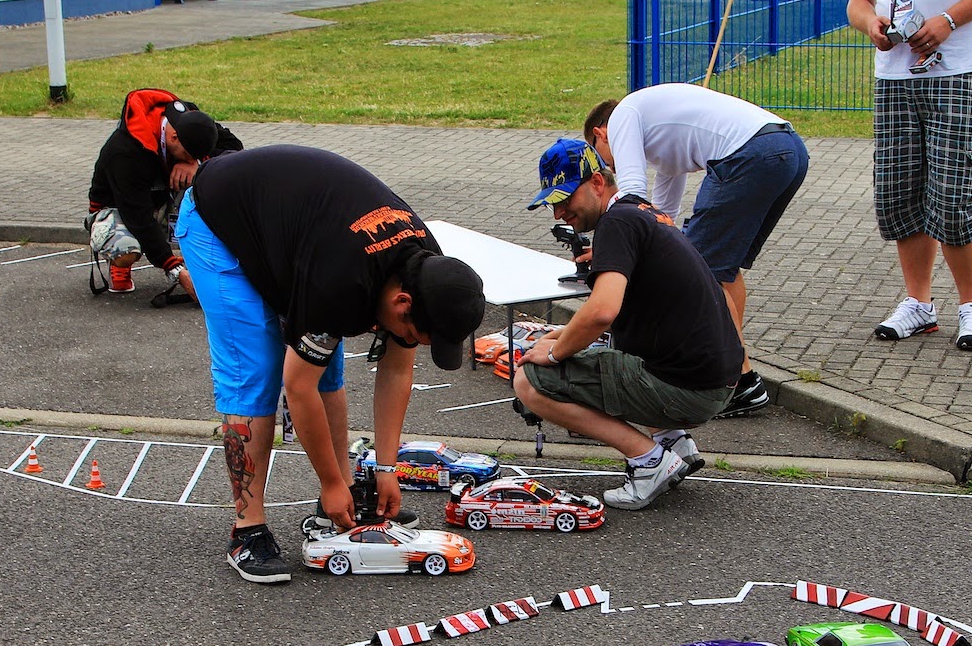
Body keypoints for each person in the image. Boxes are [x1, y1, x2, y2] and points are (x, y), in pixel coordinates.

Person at [174, 145, 486, 584]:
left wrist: (386, 469)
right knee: (255, 374)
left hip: (294, 230)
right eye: (415, 335)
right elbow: (298, 386)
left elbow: (397, 369)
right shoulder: (340, 283)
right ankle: (247, 529)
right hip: (218, 224)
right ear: (402, 304)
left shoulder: (425, 265)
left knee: (329, 368)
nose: (411, 343)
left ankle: (333, 501)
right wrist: (331, 481)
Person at [520, 139, 743, 512]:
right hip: (718, 378)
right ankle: (675, 443)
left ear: (596, 182)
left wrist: (555, 352)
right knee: (604, 352)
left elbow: (602, 312)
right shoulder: (641, 212)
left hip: (689, 389)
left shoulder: (616, 224)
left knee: (530, 381)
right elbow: (625, 310)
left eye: (564, 199)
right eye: (552, 204)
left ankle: (649, 462)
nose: (559, 213)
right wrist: (565, 334)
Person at [583, 85, 809, 418]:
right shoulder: (660, 141)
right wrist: (625, 251)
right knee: (723, 270)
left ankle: (739, 381)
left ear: (601, 133)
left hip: (750, 154)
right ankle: (731, 364)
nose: (605, 167)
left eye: (599, 156)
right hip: (788, 149)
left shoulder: (624, 115)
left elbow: (631, 195)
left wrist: (611, 247)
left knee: (705, 269)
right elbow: (661, 216)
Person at [847, 0, 972, 351]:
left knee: (954, 188)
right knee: (899, 189)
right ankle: (919, 303)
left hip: (955, 68)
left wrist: (948, 20)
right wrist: (870, 23)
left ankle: (971, 307)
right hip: (895, 74)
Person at [86, 89, 241, 297]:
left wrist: (196, 163)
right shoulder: (126, 151)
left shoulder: (192, 121)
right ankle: (119, 266)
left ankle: (209, 260)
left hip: (159, 200)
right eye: (187, 154)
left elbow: (235, 149)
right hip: (118, 209)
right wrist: (174, 269)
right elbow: (138, 218)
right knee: (127, 248)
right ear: (174, 137)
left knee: (213, 178)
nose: (188, 159)